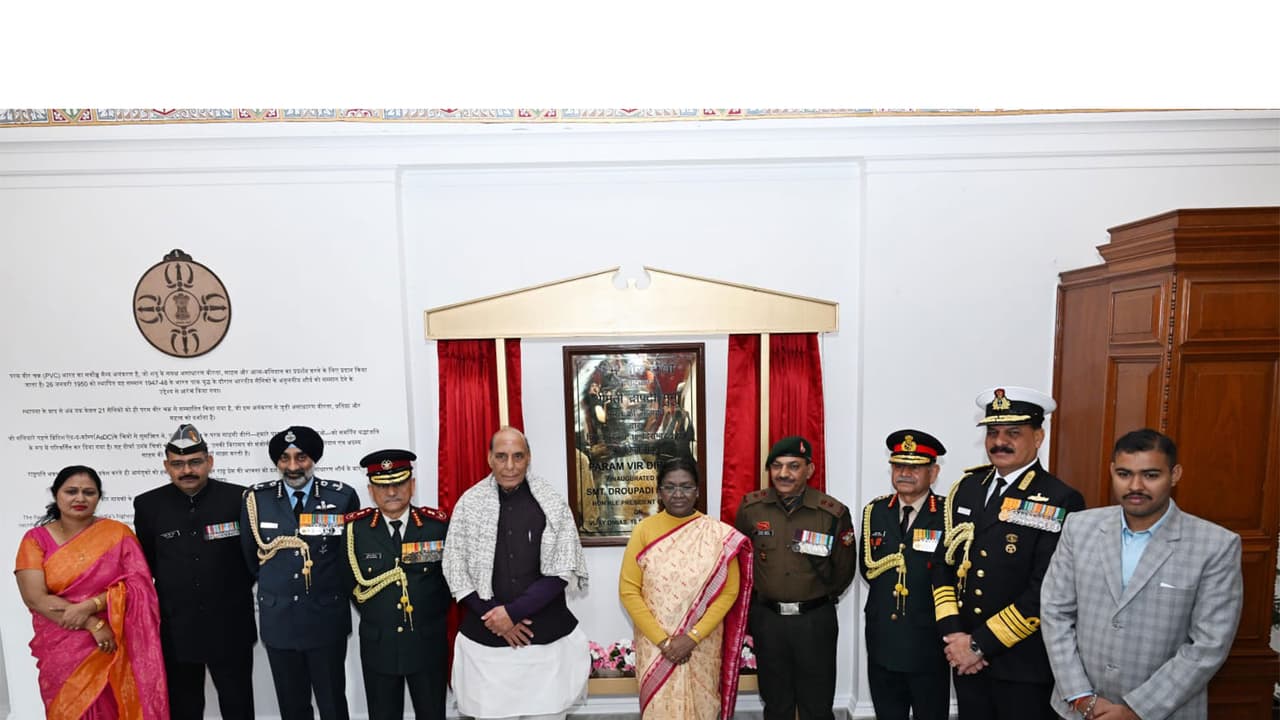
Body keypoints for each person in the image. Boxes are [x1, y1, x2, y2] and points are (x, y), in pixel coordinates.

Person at [1041, 429, 1243, 720]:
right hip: (1079, 710)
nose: (1135, 485)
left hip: (1166, 712)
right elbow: (1055, 613)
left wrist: (1137, 709)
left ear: (1174, 474)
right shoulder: (1079, 527)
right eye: (1124, 474)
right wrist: (1082, 697)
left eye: (1150, 475)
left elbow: (1209, 644)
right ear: (1112, 471)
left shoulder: (1216, 545)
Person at [931, 387, 1085, 720]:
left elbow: (1046, 590)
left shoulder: (1059, 499)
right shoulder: (967, 488)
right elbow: (944, 565)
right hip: (966, 659)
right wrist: (955, 635)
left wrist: (978, 645)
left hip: (1020, 663)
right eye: (993, 432)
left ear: (1039, 436)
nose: (1000, 442)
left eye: (1013, 433)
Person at [442, 426, 591, 720]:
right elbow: (455, 569)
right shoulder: (469, 504)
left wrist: (511, 613)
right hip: (486, 648)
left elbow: (561, 570)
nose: (510, 466)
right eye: (501, 456)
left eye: (517, 456)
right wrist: (496, 617)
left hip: (546, 648)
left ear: (528, 458)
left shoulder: (551, 503)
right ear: (489, 459)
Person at [15, 465, 169, 719]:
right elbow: (34, 597)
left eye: (89, 492)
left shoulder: (117, 534)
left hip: (114, 644)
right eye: (71, 491)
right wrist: (92, 624)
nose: (80, 498)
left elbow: (140, 586)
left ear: (99, 497)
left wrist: (91, 605)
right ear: (56, 494)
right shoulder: (35, 540)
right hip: (63, 645)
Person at [133, 423, 256, 720]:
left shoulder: (240, 499)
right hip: (177, 629)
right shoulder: (148, 505)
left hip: (231, 626)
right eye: (178, 464)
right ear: (166, 466)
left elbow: (253, 559)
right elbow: (147, 563)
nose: (187, 470)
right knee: (184, 708)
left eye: (195, 462)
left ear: (209, 462)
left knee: (238, 705)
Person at [618, 456, 754, 719]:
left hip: (701, 644)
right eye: (669, 487)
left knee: (702, 707)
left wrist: (691, 637)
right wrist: (664, 641)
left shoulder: (717, 535)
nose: (678, 494)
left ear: (698, 491)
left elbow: (729, 591)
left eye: (686, 486)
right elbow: (628, 591)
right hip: (656, 646)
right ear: (659, 492)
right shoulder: (644, 531)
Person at [733, 435, 858, 720]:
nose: (784, 474)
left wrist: (815, 596)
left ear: (809, 470)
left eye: (793, 466)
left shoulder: (831, 512)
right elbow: (741, 561)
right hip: (769, 621)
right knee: (776, 703)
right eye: (776, 466)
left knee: (817, 703)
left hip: (814, 621)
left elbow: (844, 569)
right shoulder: (752, 508)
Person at [240, 425, 360, 720]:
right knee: (292, 707)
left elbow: (348, 558)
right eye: (284, 458)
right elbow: (251, 558)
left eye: (301, 457)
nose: (293, 467)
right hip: (280, 620)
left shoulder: (342, 497)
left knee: (332, 703)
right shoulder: (256, 500)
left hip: (325, 618)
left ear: (314, 459)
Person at [344, 449, 450, 720]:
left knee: (432, 713)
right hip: (380, 644)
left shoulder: (437, 526)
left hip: (426, 643)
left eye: (399, 483)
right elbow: (351, 584)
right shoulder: (356, 530)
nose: (392, 492)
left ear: (412, 485)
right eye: (382, 485)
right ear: (371, 490)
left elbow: (449, 581)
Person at [859, 429, 951, 720]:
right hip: (883, 637)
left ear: (933, 472)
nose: (905, 473)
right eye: (898, 466)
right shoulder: (874, 511)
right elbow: (868, 568)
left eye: (915, 467)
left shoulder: (949, 514)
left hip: (929, 642)